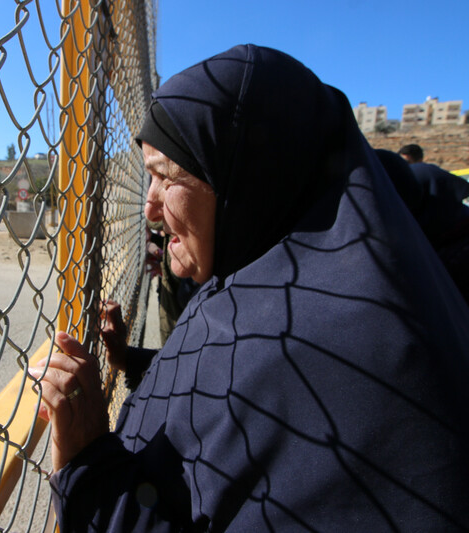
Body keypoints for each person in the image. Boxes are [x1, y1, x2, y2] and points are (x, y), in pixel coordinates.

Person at [30, 44, 469, 531]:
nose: (149, 209)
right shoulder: (276, 281)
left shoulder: (331, 339)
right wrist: (131, 362)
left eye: (163, 177)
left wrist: (87, 462)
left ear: (244, 181)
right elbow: (227, 388)